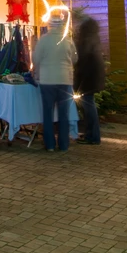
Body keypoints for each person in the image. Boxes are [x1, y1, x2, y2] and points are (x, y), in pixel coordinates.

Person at [32, 13, 78, 152]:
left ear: (49, 25)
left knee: (48, 113)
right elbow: (75, 58)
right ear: (62, 25)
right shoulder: (68, 40)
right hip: (65, 80)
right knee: (64, 114)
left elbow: (36, 59)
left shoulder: (44, 40)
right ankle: (63, 145)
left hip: (47, 81)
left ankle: (50, 145)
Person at [73, 17, 105, 146]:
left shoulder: (85, 42)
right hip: (93, 79)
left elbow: (81, 63)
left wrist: (78, 83)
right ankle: (91, 134)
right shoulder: (94, 40)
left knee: (89, 108)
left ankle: (93, 136)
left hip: (87, 80)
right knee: (89, 107)